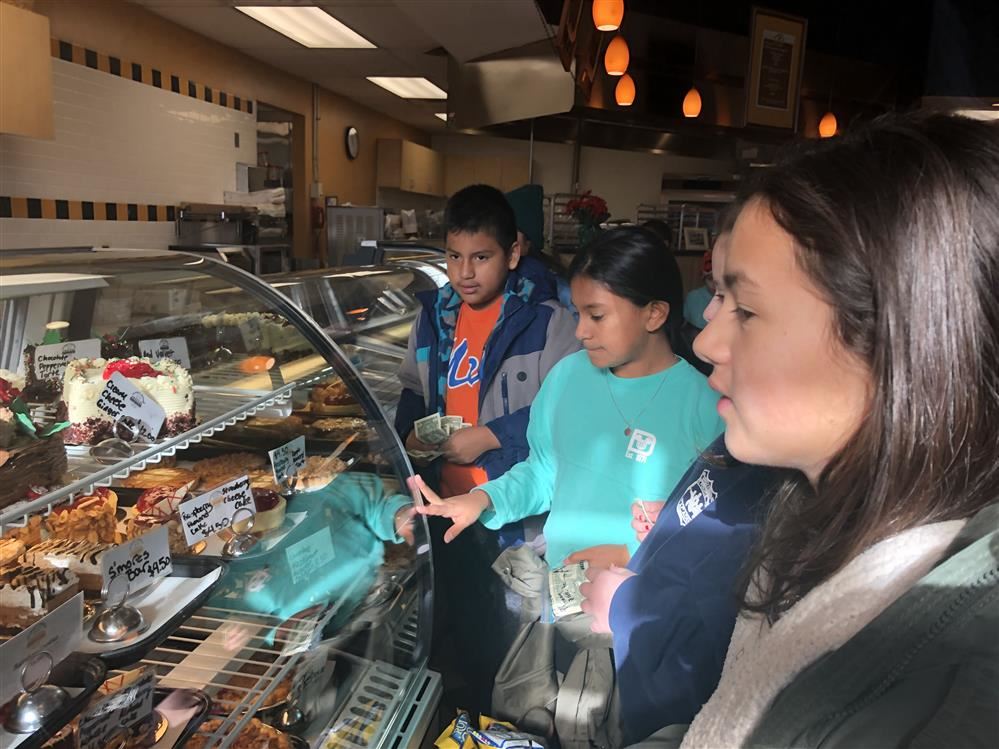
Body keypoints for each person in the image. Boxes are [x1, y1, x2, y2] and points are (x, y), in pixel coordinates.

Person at [662, 113, 998, 748]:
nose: (706, 340)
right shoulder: (815, 523)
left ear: (897, 344)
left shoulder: (938, 703)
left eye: (748, 309)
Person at [411, 224, 724, 578]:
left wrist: (631, 553)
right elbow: (544, 472)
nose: (580, 331)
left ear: (654, 313)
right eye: (578, 313)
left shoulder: (707, 407)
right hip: (564, 592)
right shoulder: (566, 378)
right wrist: (483, 498)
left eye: (598, 316)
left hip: (645, 602)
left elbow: (718, 527)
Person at [578, 225, 779, 745]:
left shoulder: (713, 413)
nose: (707, 339)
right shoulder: (747, 455)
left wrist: (624, 603)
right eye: (716, 295)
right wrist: (668, 522)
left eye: (746, 308)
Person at [395, 182, 579, 713]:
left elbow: (565, 409)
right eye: (454, 257)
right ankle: (459, 721)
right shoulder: (434, 316)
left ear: (514, 251)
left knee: (509, 645)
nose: (465, 272)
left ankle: (497, 722)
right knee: (452, 629)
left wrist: (492, 435)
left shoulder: (547, 321)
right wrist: (408, 434)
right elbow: (412, 385)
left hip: (511, 518)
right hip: (443, 509)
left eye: (482, 257)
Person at [682, 250, 715, 330]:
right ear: (703, 278)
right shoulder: (693, 298)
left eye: (719, 280)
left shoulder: (731, 299)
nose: (715, 284)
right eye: (710, 279)